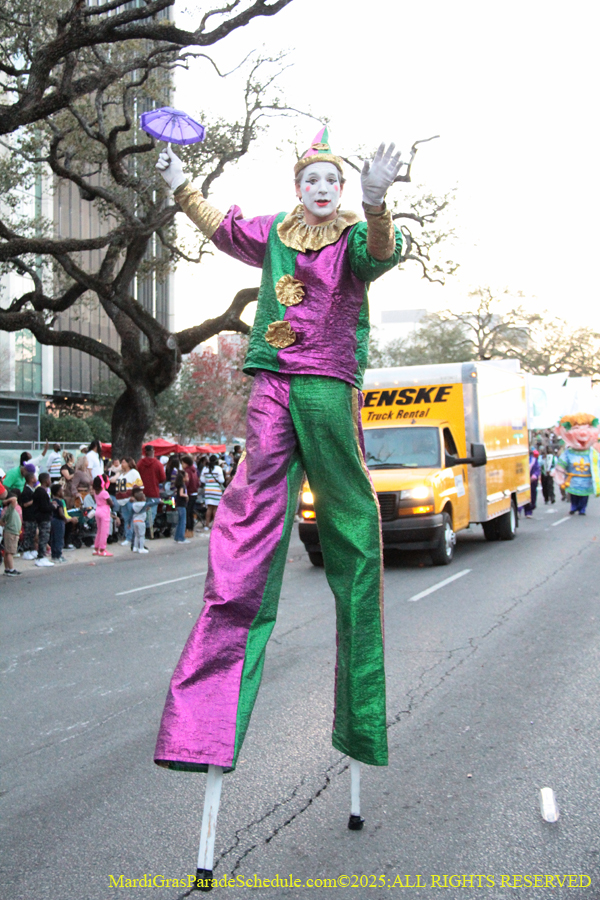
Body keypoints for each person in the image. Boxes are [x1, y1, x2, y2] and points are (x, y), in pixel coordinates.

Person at [154, 126, 402, 789]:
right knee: (243, 543)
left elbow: (379, 257)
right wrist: (179, 183)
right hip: (270, 387)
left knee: (354, 539)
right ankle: (204, 727)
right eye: (311, 180)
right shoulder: (275, 232)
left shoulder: (351, 235)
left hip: (326, 388)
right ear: (297, 186)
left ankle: (360, 720)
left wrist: (378, 205)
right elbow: (222, 225)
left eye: (333, 182)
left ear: (342, 190)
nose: (322, 189)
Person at [137, 445, 166, 538]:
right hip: (154, 491)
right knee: (152, 513)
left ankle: (142, 531)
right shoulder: (158, 464)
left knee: (142, 512)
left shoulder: (140, 463)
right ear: (153, 451)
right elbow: (163, 478)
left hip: (142, 492)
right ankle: (149, 531)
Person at [115, 458, 144, 545]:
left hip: (129, 499)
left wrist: (133, 496)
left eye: (124, 462)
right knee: (126, 518)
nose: (122, 464)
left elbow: (139, 486)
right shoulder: (122, 474)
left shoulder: (134, 473)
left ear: (129, 463)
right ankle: (128, 536)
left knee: (131, 518)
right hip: (122, 500)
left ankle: (132, 537)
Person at [32, 472, 54, 567]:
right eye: (49, 479)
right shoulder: (41, 492)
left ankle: (41, 556)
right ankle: (41, 557)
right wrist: (52, 506)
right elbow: (44, 507)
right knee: (43, 538)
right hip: (43, 518)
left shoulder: (42, 491)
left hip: (43, 517)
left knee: (44, 537)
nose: (50, 481)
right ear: (45, 480)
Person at [199, 454, 225, 530]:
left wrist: (209, 481)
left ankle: (206, 525)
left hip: (208, 490)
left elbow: (202, 480)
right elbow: (221, 480)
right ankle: (215, 525)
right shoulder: (218, 469)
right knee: (215, 508)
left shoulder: (205, 468)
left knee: (209, 508)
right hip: (216, 490)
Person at [19, 468, 39, 560]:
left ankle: (32, 550)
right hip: (28, 516)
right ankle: (26, 551)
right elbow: (25, 504)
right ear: (31, 479)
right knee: (28, 534)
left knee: (33, 534)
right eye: (34, 477)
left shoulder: (32, 490)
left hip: (33, 516)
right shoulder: (26, 491)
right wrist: (34, 500)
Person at [1, 492, 22, 576]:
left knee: (7, 551)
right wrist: (5, 501)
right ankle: (11, 569)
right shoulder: (10, 508)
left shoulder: (9, 509)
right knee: (10, 552)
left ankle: (7, 569)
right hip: (11, 532)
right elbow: (14, 499)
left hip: (12, 532)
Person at [92, 475, 114, 557]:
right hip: (104, 511)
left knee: (99, 530)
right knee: (104, 531)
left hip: (97, 510)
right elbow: (110, 503)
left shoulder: (95, 492)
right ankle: (102, 549)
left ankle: (96, 548)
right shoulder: (104, 492)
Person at [181, 455, 199, 537]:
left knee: (187, 512)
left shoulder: (187, 471)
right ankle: (191, 530)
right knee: (190, 512)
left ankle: (187, 530)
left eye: (182, 463)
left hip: (189, 493)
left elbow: (186, 483)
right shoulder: (194, 470)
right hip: (194, 493)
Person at [50, 483, 68, 563]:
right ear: (58, 492)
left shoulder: (52, 501)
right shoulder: (59, 502)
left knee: (53, 538)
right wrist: (65, 519)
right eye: (62, 491)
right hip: (59, 521)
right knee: (59, 538)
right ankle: (58, 555)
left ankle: (54, 555)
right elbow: (61, 513)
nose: (63, 493)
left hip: (53, 520)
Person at [130, 487, 150, 554]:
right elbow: (148, 506)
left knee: (136, 535)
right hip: (141, 521)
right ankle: (141, 548)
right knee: (141, 535)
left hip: (135, 521)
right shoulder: (144, 504)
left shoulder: (134, 505)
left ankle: (135, 547)